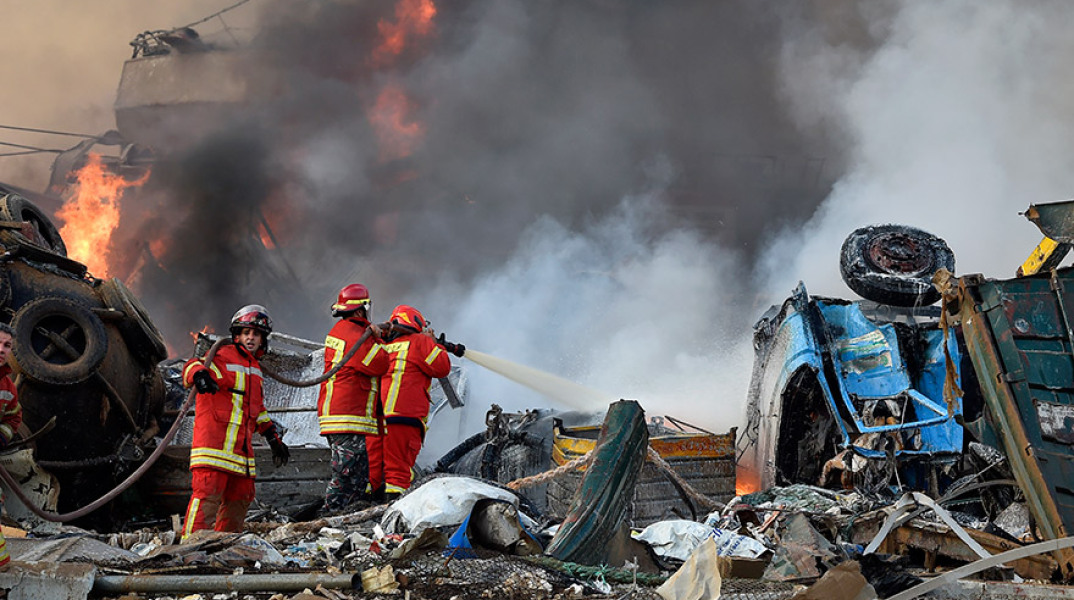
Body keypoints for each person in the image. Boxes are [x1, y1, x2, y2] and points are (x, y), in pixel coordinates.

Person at [180, 304, 289, 538]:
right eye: (246, 333)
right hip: (214, 449)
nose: (251, 338)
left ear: (263, 339)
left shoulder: (255, 369)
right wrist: (199, 375)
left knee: (241, 498)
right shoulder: (221, 357)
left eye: (256, 334)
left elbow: (257, 408)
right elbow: (190, 367)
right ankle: (190, 548)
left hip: (241, 456)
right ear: (236, 335)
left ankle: (225, 545)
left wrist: (272, 437)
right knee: (207, 497)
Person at [374, 305, 461, 501]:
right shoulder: (420, 342)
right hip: (404, 417)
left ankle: (374, 507)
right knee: (399, 474)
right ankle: (395, 511)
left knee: (382, 470)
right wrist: (434, 343)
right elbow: (441, 367)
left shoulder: (385, 346)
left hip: (379, 418)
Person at [317, 284, 389, 511]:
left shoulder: (343, 330)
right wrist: (378, 339)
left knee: (358, 475)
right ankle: (330, 515)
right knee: (346, 474)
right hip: (346, 416)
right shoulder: (355, 335)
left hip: (344, 415)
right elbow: (380, 364)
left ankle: (348, 514)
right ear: (361, 310)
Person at [0, 323, 20, 567]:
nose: (1, 349)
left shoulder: (7, 387)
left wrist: (2, 437)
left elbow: (14, 418)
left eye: (7, 345)